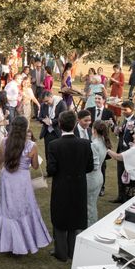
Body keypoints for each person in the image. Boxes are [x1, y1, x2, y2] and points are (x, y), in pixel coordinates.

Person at [0, 116, 51, 255]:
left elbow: (0, 159)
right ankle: (23, 241)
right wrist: (33, 160)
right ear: (25, 129)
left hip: (6, 178)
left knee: (7, 208)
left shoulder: (4, 141)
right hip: (22, 179)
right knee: (23, 208)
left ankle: (8, 243)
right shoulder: (31, 145)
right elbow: (35, 167)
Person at [47, 111, 94, 261]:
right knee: (75, 216)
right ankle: (72, 251)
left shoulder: (54, 145)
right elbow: (89, 166)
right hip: (79, 185)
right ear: (75, 124)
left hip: (61, 185)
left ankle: (61, 252)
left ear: (60, 125)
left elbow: (51, 169)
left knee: (60, 217)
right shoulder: (85, 144)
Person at [112, 100, 135, 203]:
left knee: (128, 175)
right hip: (121, 150)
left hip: (130, 153)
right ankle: (120, 196)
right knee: (120, 174)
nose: (123, 111)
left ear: (132, 109)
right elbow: (122, 133)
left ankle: (126, 198)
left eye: (125, 109)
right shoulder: (123, 119)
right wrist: (117, 131)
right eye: (122, 109)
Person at [87, 121, 111, 226]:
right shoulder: (103, 142)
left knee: (89, 206)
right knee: (92, 204)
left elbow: (94, 165)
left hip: (91, 178)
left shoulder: (94, 145)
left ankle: (89, 227)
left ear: (94, 130)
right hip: (99, 176)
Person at [37, 91, 67, 167]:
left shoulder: (61, 104)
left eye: (47, 101)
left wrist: (51, 121)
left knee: (58, 152)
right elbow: (39, 117)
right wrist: (43, 120)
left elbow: (63, 118)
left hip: (58, 132)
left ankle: (59, 168)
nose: (46, 103)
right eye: (44, 102)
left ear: (51, 97)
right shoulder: (43, 105)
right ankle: (50, 169)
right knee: (48, 152)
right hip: (47, 133)